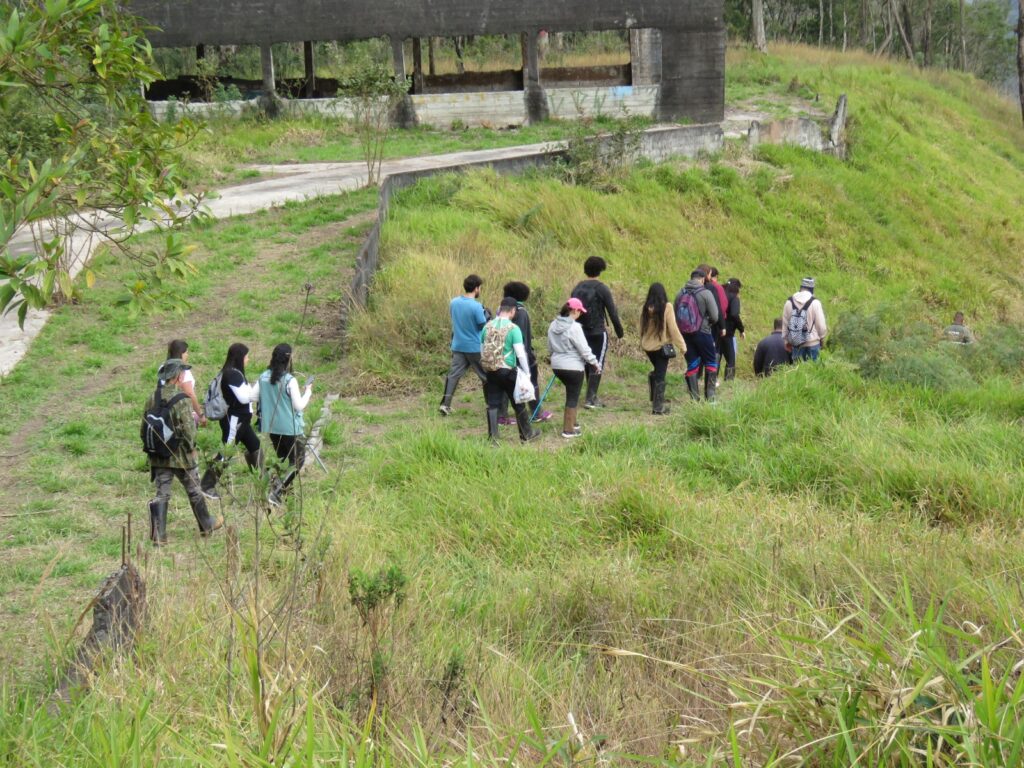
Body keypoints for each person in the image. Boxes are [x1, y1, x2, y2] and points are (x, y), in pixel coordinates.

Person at [146, 358, 223, 546]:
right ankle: (206, 524)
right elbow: (189, 430)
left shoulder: (152, 397)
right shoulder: (181, 400)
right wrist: (192, 449)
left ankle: (159, 535)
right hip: (181, 456)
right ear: (178, 377)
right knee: (194, 489)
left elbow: (145, 425)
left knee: (162, 492)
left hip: (158, 454)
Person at [200, 342, 262, 498]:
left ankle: (261, 480)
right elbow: (244, 398)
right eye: (246, 356)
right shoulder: (232, 374)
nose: (248, 359)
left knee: (255, 446)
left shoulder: (235, 373)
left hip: (243, 420)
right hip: (235, 420)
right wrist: (261, 383)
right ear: (240, 357)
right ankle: (207, 485)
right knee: (227, 451)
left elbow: (247, 393)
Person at [257, 343, 313, 508]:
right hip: (290, 428)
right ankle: (277, 492)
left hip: (272, 428)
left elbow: (253, 396)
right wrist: (308, 391)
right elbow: (299, 405)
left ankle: (285, 495)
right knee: (297, 461)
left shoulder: (263, 377)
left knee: (284, 460)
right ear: (288, 359)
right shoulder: (290, 380)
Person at [481, 297, 541, 443]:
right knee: (518, 402)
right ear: (513, 311)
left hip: (491, 369)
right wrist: (527, 372)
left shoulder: (487, 326)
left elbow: (481, 349)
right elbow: (520, 353)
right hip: (508, 370)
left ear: (500, 309)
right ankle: (526, 435)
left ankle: (493, 438)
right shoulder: (514, 329)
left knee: (493, 404)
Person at [571, 256, 624, 409]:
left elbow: (570, 308)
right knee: (597, 363)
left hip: (579, 331)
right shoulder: (602, 288)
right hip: (597, 332)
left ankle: (589, 395)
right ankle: (591, 398)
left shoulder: (578, 287)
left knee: (587, 362)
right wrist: (619, 331)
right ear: (601, 270)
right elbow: (612, 312)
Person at [496, 281, 552, 425]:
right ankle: (536, 412)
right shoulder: (521, 312)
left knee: (505, 386)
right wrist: (526, 359)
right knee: (531, 382)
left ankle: (501, 416)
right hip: (522, 355)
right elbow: (522, 338)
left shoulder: (500, 311)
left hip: (503, 356)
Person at [548, 298, 602, 438]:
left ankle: (573, 421)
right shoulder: (574, 327)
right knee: (573, 396)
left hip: (557, 365)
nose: (580, 314)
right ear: (574, 310)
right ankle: (568, 430)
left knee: (571, 391)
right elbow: (584, 349)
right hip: (573, 367)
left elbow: (550, 347)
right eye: (580, 311)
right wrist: (595, 363)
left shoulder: (553, 324)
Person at [439, 274, 488, 416]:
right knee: (486, 376)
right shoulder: (476, 306)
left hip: (458, 345)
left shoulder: (453, 302)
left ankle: (445, 405)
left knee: (453, 375)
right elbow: (482, 326)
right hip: (474, 347)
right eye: (480, 288)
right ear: (476, 288)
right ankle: (491, 405)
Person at [639, 282, 686, 415]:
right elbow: (673, 328)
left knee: (657, 372)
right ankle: (658, 407)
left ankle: (654, 400)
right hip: (661, 347)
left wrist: (642, 341)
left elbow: (641, 327)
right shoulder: (667, 307)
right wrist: (682, 346)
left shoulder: (645, 307)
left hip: (648, 347)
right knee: (660, 375)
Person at [676, 269, 720, 402]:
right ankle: (710, 397)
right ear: (701, 279)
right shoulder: (705, 293)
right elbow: (715, 316)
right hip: (703, 332)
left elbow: (675, 313)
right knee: (711, 362)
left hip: (685, 334)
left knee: (692, 364)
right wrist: (707, 323)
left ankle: (694, 399)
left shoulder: (680, 293)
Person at [782, 277, 827, 362]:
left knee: (798, 372)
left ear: (801, 287)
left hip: (796, 345)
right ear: (812, 289)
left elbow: (785, 324)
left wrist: (786, 341)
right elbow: (821, 326)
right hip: (813, 343)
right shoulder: (815, 303)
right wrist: (822, 338)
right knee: (814, 373)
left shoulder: (789, 302)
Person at [166, 339, 206, 426]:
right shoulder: (183, 371)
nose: (188, 355)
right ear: (181, 354)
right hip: (179, 413)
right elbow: (190, 394)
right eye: (186, 352)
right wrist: (200, 415)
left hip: (164, 410)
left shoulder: (163, 368)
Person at [721, 279, 745, 382]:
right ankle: (729, 382)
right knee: (731, 359)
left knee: (717, 356)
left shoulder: (720, 294)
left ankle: (712, 380)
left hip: (715, 330)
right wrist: (741, 329)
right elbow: (735, 314)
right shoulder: (734, 298)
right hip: (728, 333)